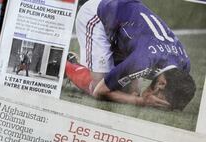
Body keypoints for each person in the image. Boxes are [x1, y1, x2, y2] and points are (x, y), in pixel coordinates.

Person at [65, 0, 196, 110]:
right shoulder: (144, 60)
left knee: (130, 93)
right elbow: (100, 91)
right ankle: (65, 64)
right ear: (161, 84)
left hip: (125, 27)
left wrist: (134, 97)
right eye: (161, 102)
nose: (159, 106)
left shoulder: (184, 66)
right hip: (98, 14)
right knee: (98, 87)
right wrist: (141, 102)